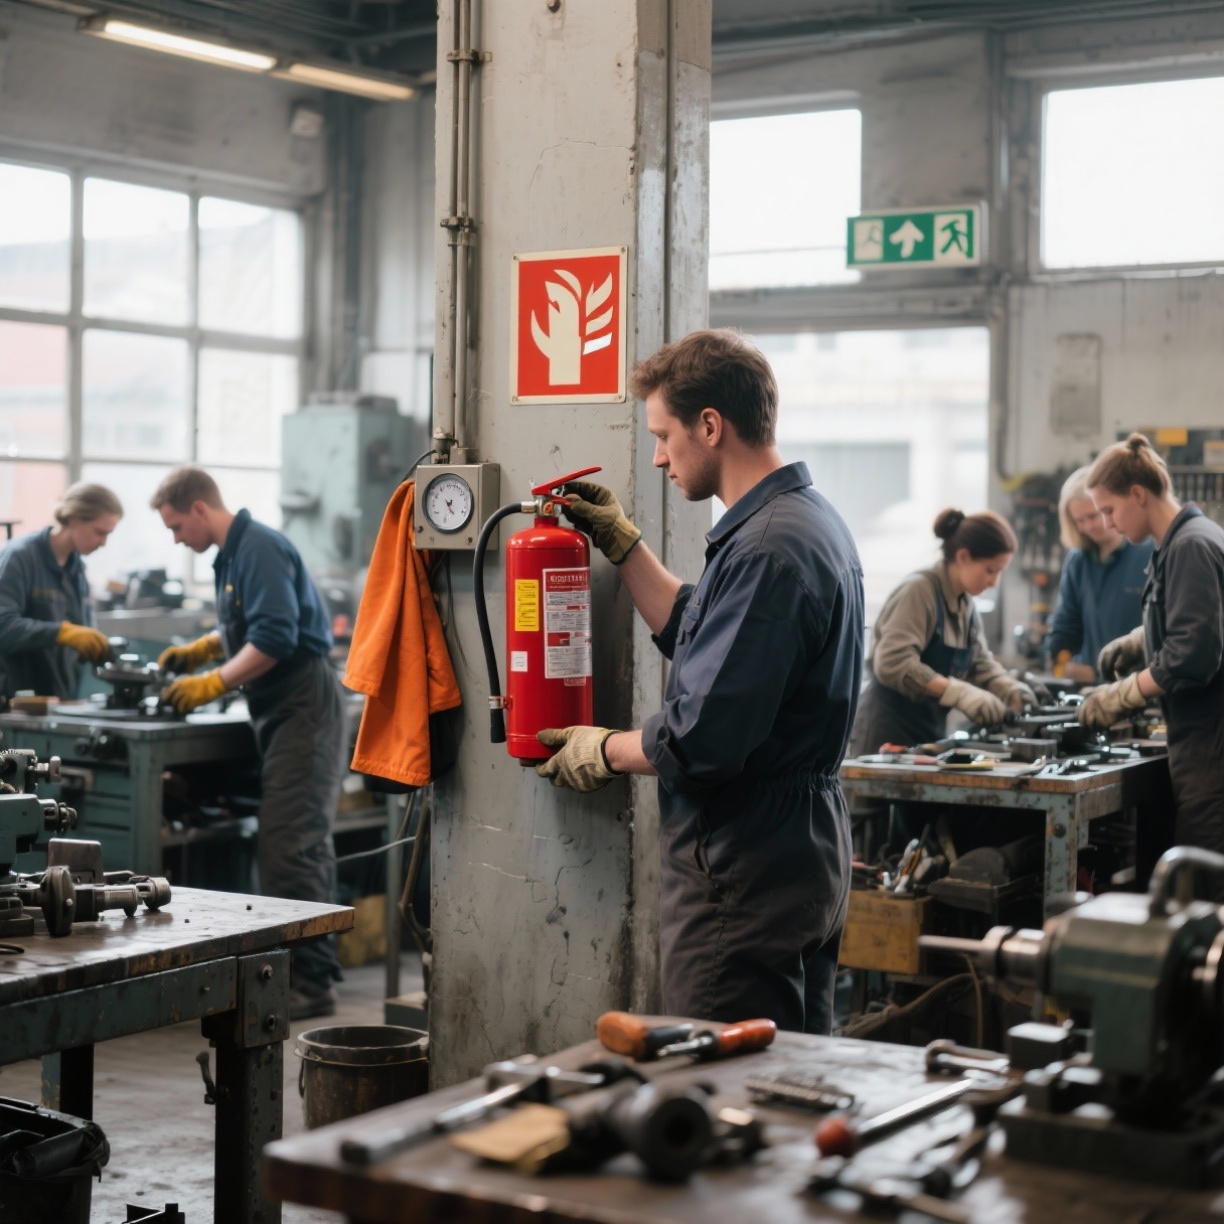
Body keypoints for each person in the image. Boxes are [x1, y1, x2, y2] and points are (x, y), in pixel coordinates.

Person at [534, 329, 865, 1035]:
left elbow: (702, 734)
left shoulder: (768, 550)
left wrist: (604, 749)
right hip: (801, 848)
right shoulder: (802, 524)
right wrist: (624, 546)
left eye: (663, 435)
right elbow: (710, 632)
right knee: (793, 1079)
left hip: (745, 867)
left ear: (710, 425)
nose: (657, 457)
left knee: (731, 1090)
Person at [150, 465, 346, 1020]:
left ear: (199, 509)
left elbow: (276, 636)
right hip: (278, 708)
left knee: (291, 846)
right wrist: (205, 648)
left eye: (175, 527)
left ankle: (310, 982)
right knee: (294, 842)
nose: (176, 539)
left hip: (301, 705)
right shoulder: (235, 555)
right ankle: (307, 969)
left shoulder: (257, 547)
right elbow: (250, 622)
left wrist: (214, 680)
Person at [1079, 433, 1224, 863]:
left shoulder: (1191, 545)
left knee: (1204, 878)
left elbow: (1193, 653)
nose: (1106, 523)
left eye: (1109, 509)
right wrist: (1142, 639)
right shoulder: (1180, 543)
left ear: (1138, 494)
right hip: (1198, 739)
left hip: (1213, 743)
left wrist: (1123, 694)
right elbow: (1200, 619)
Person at [848, 509, 1037, 759]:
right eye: (991, 570)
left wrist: (1009, 688)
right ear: (963, 556)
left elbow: (979, 663)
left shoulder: (965, 605)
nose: (995, 582)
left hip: (926, 734)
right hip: (885, 735)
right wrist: (958, 692)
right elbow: (893, 662)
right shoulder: (919, 592)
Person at [0, 482, 122, 700]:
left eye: (109, 534)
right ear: (74, 518)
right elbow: (3, 626)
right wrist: (60, 633)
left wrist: (96, 648)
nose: (104, 543)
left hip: (61, 700)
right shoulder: (20, 558)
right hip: (16, 703)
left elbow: (81, 634)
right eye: (99, 532)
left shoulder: (77, 572)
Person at [1044, 465, 1152, 683]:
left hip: (1144, 685)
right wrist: (1061, 662)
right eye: (1079, 521)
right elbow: (1066, 625)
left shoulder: (1149, 552)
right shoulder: (1077, 561)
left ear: (1109, 508)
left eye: (1093, 516)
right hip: (1094, 686)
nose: (1088, 526)